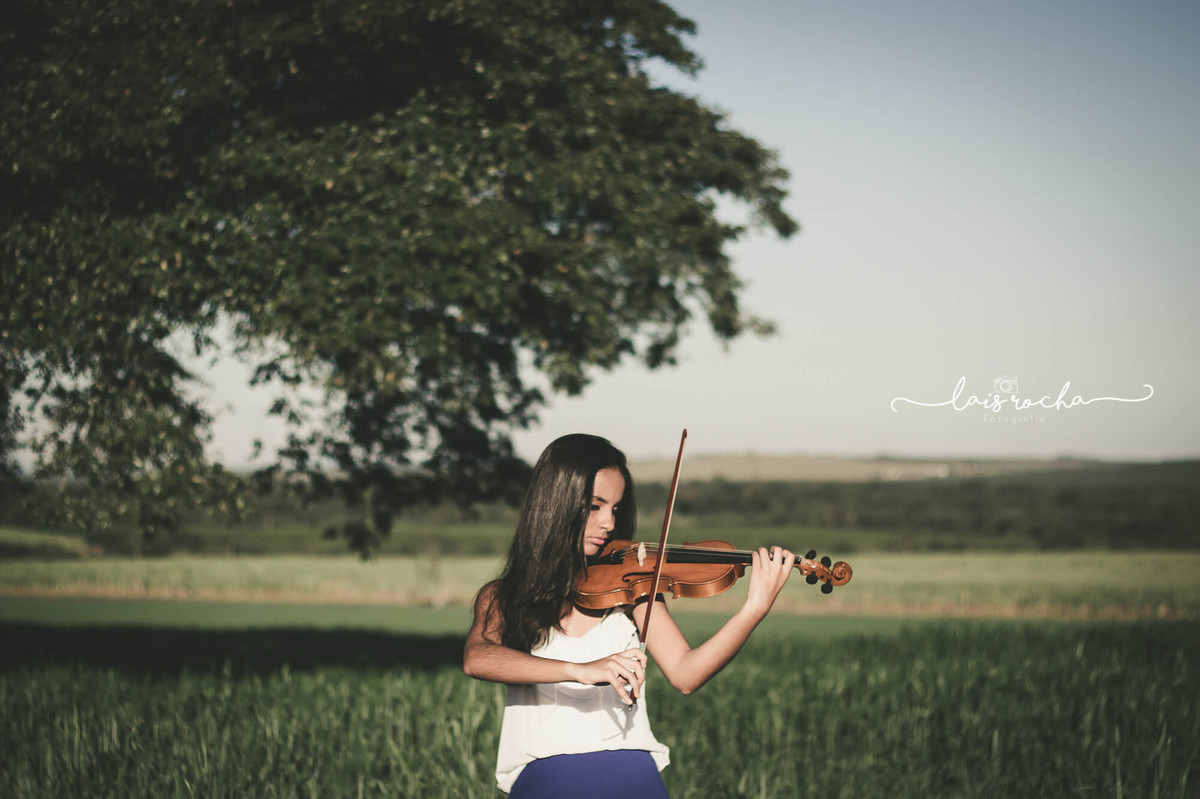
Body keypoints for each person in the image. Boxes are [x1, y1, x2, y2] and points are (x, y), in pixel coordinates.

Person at [463, 433, 797, 797]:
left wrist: (753, 609)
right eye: (594, 506)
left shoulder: (633, 591)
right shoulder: (503, 597)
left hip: (633, 778)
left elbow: (686, 674)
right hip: (549, 781)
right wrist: (581, 671)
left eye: (616, 509)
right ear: (557, 503)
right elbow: (477, 657)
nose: (609, 523)